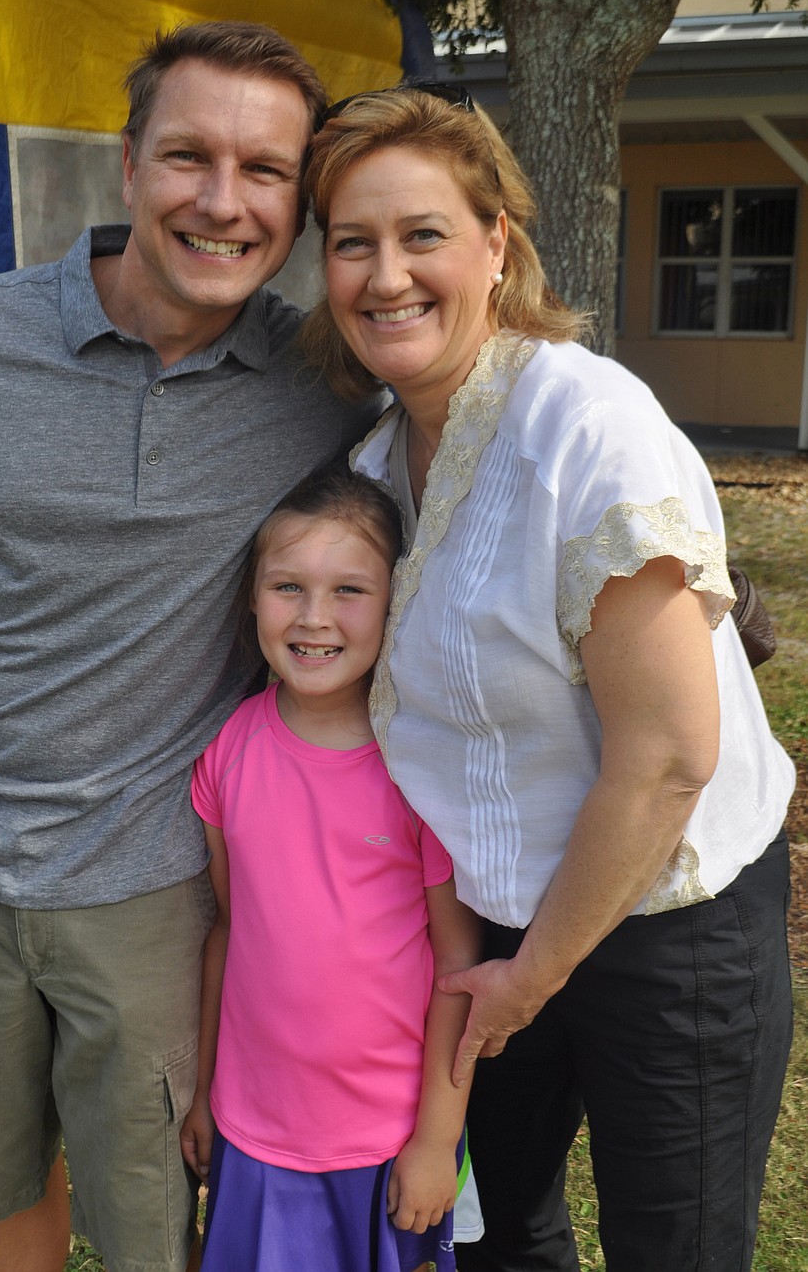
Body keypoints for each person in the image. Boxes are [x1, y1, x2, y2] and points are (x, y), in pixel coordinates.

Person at [300, 83, 796, 1271]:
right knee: (500, 1233)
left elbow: (670, 755)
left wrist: (535, 975)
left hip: (664, 924)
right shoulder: (377, 452)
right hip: (489, 924)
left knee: (671, 1248)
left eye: (422, 235)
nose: (385, 276)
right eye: (352, 243)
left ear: (495, 244)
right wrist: (490, 962)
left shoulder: (586, 426)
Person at [0, 22, 383, 1272]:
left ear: (299, 202)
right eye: (188, 156)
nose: (221, 200)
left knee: (149, 1214)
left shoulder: (325, 377)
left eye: (264, 171)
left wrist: (685, 585)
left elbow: (477, 451)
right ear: (129, 163)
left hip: (154, 886)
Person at [178, 467, 482, 1272]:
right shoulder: (227, 751)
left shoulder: (418, 770)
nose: (314, 617)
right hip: (255, 1131)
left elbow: (457, 966)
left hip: (385, 1143)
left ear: (394, 601)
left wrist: (436, 1137)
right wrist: (208, 1092)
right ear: (251, 597)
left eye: (349, 589)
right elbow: (231, 932)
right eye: (288, 586)